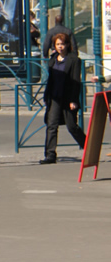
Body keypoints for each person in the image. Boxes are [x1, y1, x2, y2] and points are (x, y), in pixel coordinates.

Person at [40, 32, 87, 164]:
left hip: (67, 98)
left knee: (72, 126)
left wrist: (73, 100)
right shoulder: (52, 60)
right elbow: (51, 80)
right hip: (54, 97)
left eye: (63, 44)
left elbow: (75, 81)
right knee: (51, 125)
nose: (61, 47)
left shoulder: (74, 60)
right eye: (58, 44)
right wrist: (46, 96)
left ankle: (89, 148)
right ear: (55, 46)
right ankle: (50, 155)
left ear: (67, 45)